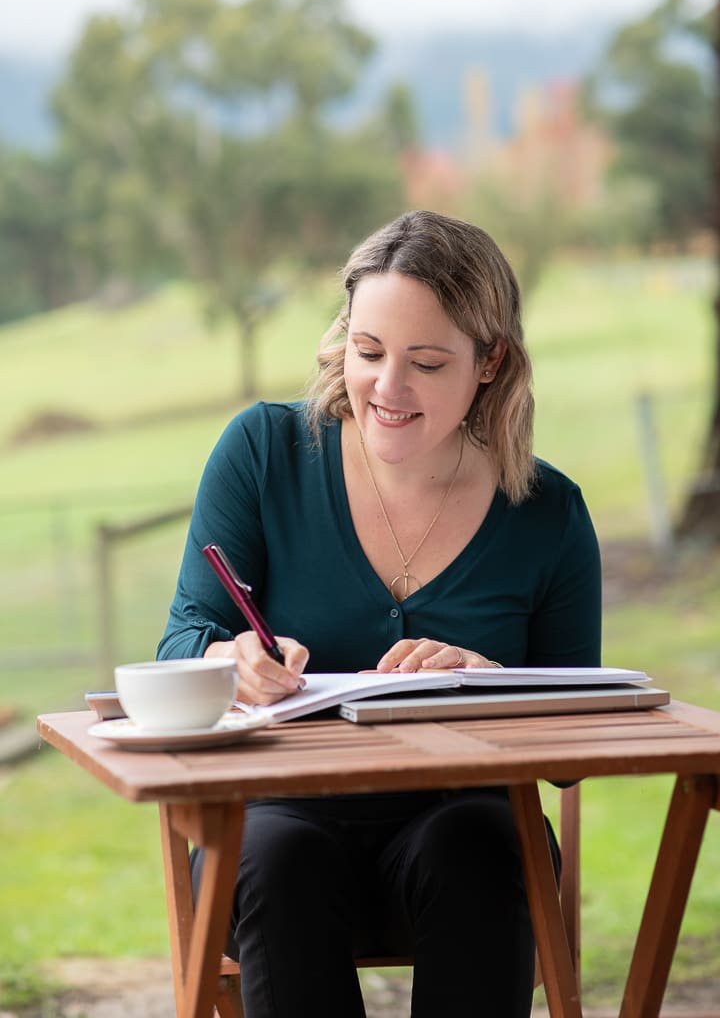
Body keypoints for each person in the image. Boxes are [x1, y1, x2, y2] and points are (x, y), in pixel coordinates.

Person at [157, 208, 601, 1018]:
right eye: (368, 353)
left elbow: (572, 751)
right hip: (270, 839)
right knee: (281, 858)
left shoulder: (548, 513)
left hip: (464, 839)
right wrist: (227, 657)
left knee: (479, 845)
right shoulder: (264, 454)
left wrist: (494, 679)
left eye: (426, 363)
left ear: (490, 360)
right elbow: (179, 642)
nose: (386, 390)